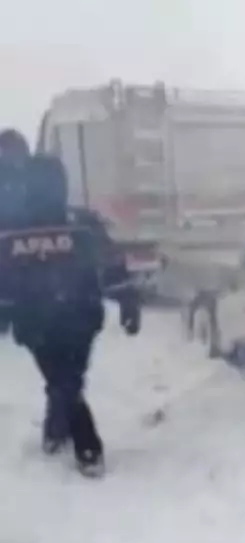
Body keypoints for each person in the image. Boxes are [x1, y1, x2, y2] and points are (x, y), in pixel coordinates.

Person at [0, 127, 141, 477]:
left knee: (64, 380)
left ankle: (87, 446)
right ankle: (57, 429)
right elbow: (111, 262)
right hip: (80, 314)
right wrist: (127, 300)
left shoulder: (7, 230)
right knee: (68, 379)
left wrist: (3, 313)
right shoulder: (80, 222)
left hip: (38, 319)